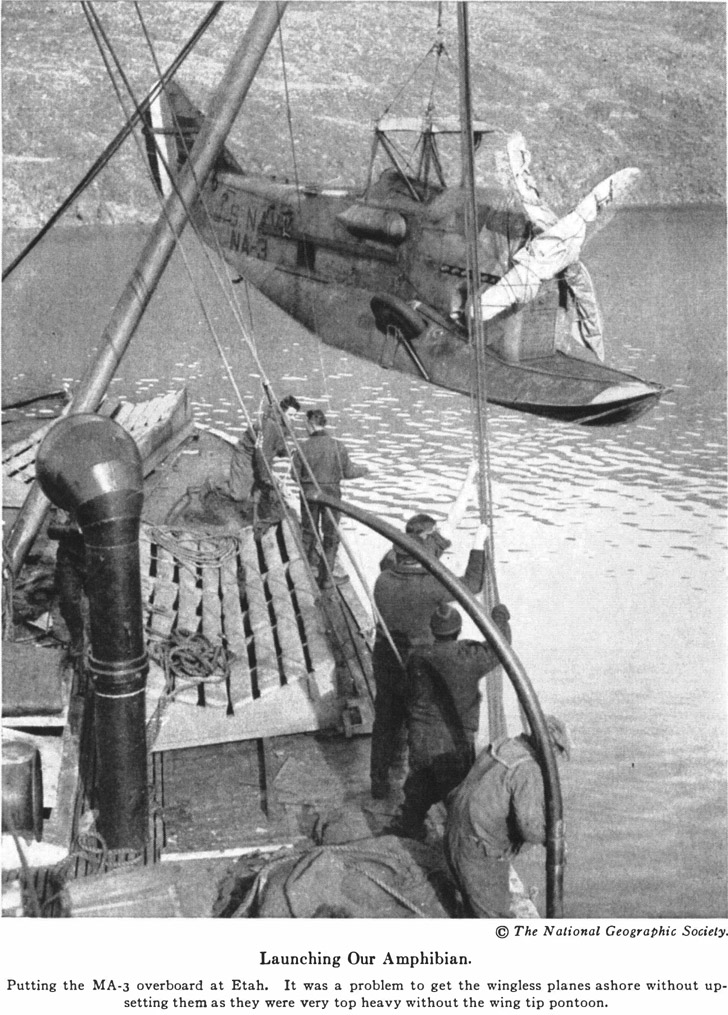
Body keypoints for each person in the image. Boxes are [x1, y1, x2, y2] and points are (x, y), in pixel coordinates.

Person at [370, 522, 489, 800]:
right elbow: (472, 585)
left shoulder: (383, 580)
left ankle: (379, 783)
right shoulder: (431, 586)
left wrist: (433, 539)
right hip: (418, 665)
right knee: (418, 720)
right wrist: (478, 541)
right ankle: (416, 791)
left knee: (386, 720)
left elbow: (395, 560)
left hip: (386, 658)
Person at [392, 600, 512, 840]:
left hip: (422, 737)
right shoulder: (470, 655)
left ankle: (410, 828)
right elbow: (500, 647)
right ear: (457, 630)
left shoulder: (417, 658)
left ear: (433, 630)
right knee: (458, 796)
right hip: (454, 742)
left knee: (419, 787)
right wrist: (500, 617)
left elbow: (405, 695)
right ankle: (459, 847)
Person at [445, 715, 571, 918]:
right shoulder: (529, 769)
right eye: (558, 751)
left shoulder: (504, 745)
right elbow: (530, 830)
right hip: (476, 853)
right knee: (495, 918)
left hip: (455, 834)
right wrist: (555, 839)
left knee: (475, 908)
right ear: (551, 747)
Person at [291, 408, 369, 588]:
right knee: (331, 534)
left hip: (309, 494)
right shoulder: (337, 445)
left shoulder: (302, 446)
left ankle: (305, 570)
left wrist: (307, 483)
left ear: (310, 424)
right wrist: (364, 470)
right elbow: (348, 472)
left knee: (309, 530)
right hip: (331, 496)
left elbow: (294, 475)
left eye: (305, 424)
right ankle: (326, 578)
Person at [204, 394, 301, 514]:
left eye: (295, 415)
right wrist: (265, 477)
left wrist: (287, 452)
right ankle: (213, 484)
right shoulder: (270, 426)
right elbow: (262, 454)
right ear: (282, 412)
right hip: (246, 455)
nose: (293, 418)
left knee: (261, 491)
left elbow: (276, 446)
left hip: (260, 456)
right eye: (291, 415)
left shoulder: (284, 425)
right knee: (239, 495)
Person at [379, 460, 479, 571]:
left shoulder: (392, 555)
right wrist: (469, 479)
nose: (437, 532)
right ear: (425, 534)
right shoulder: (430, 545)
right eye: (434, 530)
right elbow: (454, 518)